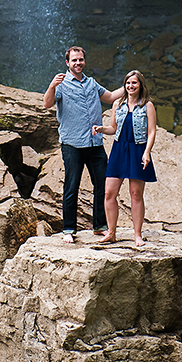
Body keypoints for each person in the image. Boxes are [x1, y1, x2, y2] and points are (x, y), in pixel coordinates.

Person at [43, 46, 121, 243]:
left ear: (84, 61)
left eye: (81, 60)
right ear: (67, 63)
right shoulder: (61, 84)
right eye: (74, 60)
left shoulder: (92, 83)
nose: (78, 63)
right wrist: (51, 86)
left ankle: (100, 226)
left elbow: (111, 97)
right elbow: (47, 104)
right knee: (72, 186)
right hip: (72, 144)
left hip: (95, 143)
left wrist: (133, 82)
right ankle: (68, 229)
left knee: (102, 185)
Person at [99, 70, 156, 247]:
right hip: (119, 149)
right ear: (124, 85)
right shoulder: (118, 104)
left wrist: (146, 152)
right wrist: (101, 129)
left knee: (136, 194)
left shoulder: (147, 105)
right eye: (128, 83)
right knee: (109, 192)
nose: (131, 86)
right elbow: (113, 128)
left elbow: (152, 131)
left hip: (138, 149)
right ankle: (111, 233)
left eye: (135, 83)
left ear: (141, 86)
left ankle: (137, 235)